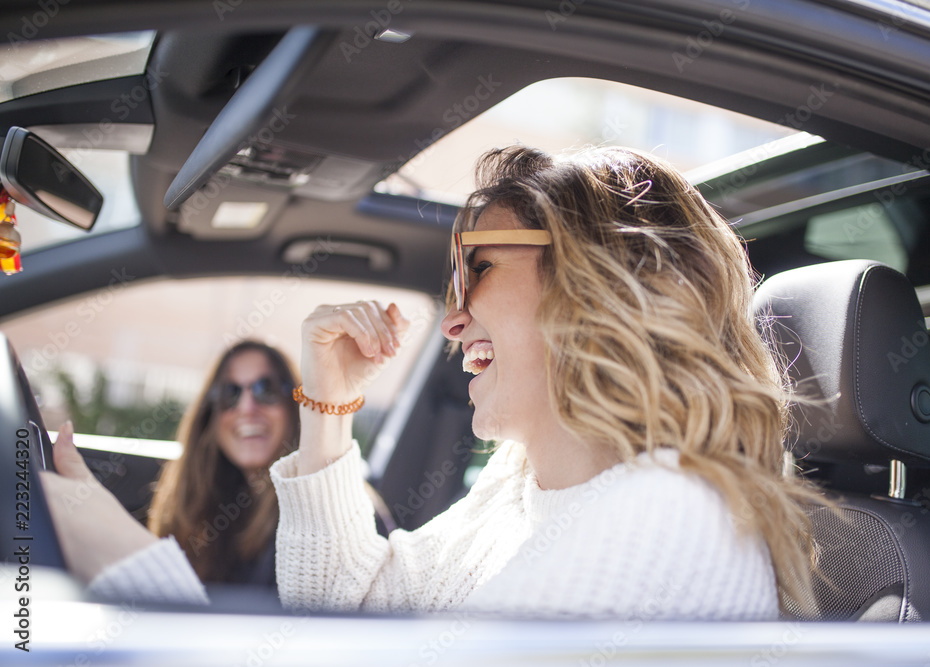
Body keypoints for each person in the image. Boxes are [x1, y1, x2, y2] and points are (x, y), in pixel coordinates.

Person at [42, 145, 822, 618]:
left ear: (603, 283)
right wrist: (330, 406)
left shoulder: (671, 517)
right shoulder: (521, 489)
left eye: (475, 268)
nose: (452, 318)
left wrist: (119, 557)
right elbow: (349, 601)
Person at [146, 340, 300, 588]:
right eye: (231, 392)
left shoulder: (325, 511)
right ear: (210, 415)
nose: (247, 408)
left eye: (266, 389)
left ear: (295, 405)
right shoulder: (203, 504)